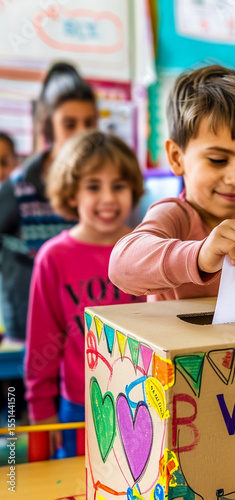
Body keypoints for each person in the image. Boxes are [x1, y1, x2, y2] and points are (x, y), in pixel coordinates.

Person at [24, 130, 146, 458]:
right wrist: (41, 413)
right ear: (72, 193)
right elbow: (42, 345)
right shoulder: (54, 257)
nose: (108, 198)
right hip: (79, 407)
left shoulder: (146, 251)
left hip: (145, 402)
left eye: (118, 186)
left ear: (132, 190)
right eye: (93, 186)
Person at [109, 64, 235, 300]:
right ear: (177, 158)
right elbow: (121, 266)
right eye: (218, 160)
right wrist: (200, 255)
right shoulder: (172, 215)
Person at [0, 62, 98, 343]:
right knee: (21, 389)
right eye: (69, 124)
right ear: (49, 127)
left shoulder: (101, 184)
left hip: (81, 327)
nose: (82, 133)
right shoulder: (21, 186)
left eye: (89, 123)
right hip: (30, 327)